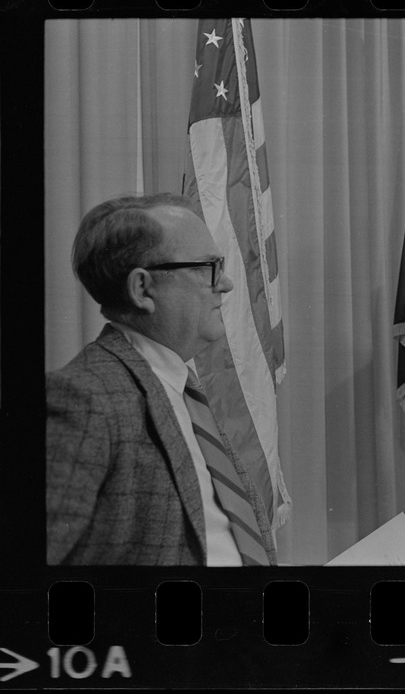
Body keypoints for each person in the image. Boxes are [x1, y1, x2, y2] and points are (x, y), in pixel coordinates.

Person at [46, 193, 277, 566]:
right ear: (143, 289)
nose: (226, 284)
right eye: (207, 268)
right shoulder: (84, 397)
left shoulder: (184, 393)